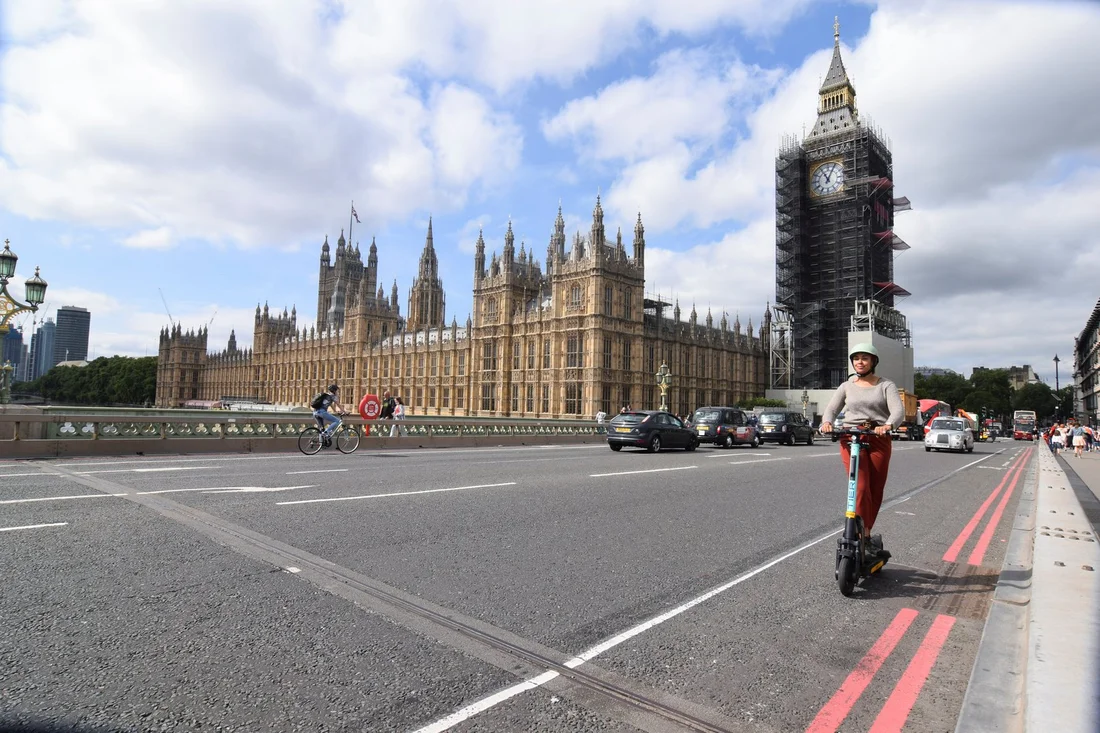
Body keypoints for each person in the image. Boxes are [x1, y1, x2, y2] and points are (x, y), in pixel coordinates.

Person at [818, 343, 905, 568]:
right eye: (856, 358)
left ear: (873, 361)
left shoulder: (886, 385)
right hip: (852, 438)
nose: (860, 362)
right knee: (861, 487)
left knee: (875, 490)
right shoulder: (847, 385)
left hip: (877, 438)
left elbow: (898, 411)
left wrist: (887, 425)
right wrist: (827, 422)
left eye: (865, 358)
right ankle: (857, 534)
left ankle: (866, 534)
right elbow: (831, 409)